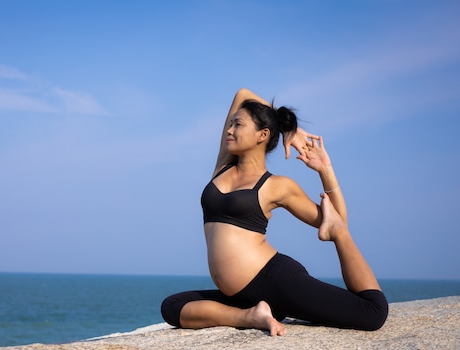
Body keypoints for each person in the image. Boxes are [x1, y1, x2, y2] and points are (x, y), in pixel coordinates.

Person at [161, 88, 388, 336]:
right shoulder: (224, 165)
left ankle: (258, 311)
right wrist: (291, 129)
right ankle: (251, 316)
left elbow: (336, 221)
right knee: (172, 307)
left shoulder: (277, 185)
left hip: (277, 282)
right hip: (241, 296)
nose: (229, 130)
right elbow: (242, 94)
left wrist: (325, 170)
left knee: (372, 314)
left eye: (238, 125)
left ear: (263, 135)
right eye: (231, 124)